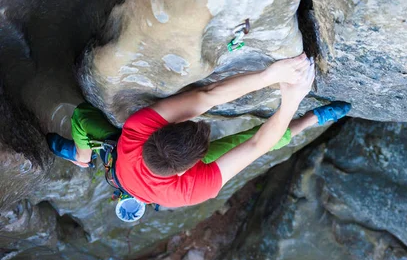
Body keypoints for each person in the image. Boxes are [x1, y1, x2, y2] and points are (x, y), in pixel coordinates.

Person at [47, 53, 351, 208]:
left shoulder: (137, 129)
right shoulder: (193, 188)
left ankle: (80, 154)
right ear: (190, 168)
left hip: (125, 165)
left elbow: (208, 96)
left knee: (82, 117)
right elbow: (257, 144)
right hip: (134, 177)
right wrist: (292, 100)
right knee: (252, 140)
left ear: (158, 132)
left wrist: (269, 75)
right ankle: (312, 119)